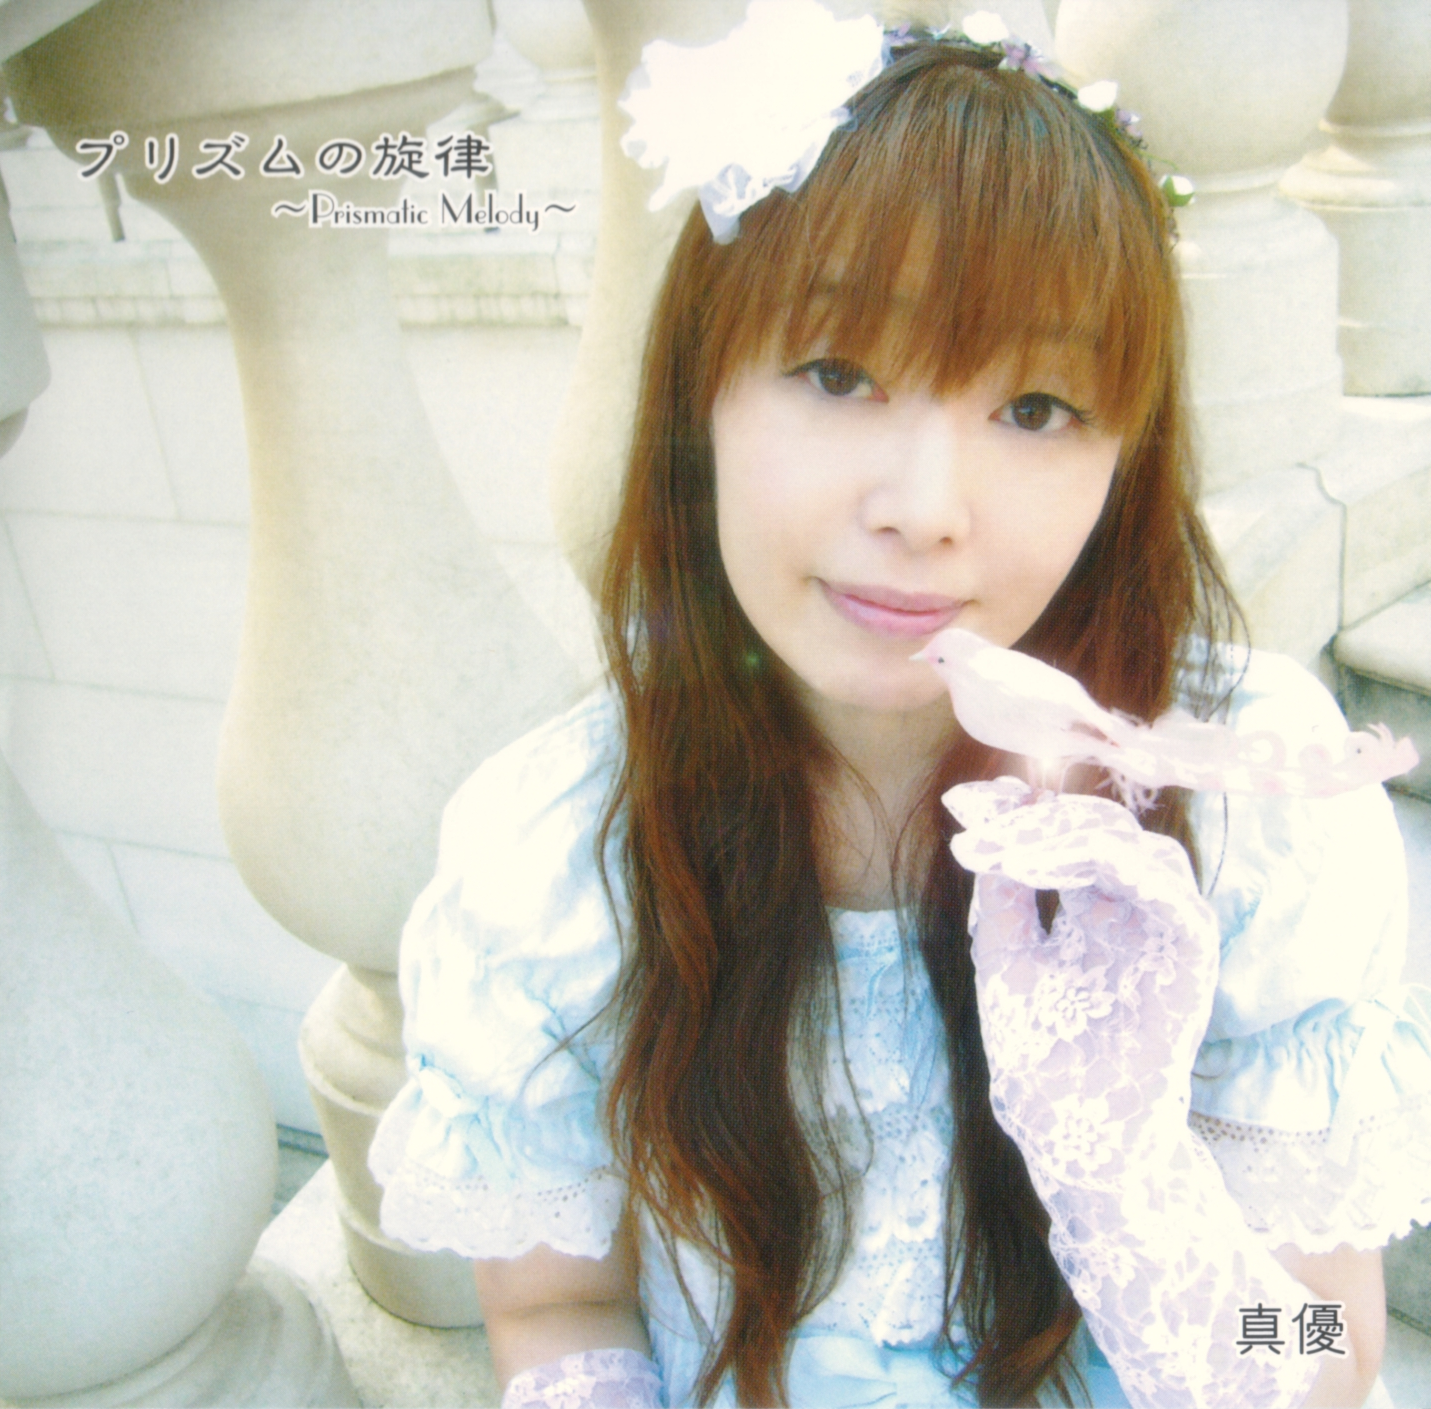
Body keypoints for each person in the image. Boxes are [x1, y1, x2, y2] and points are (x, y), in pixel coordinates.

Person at [370, 6, 1431, 1406]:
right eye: (836, 373)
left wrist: (1125, 1185)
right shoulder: (556, 856)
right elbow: (560, 1303)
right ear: (699, 398)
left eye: (1037, 407)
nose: (926, 510)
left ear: (1126, 456)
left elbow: (1322, 1351)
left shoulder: (1244, 815)